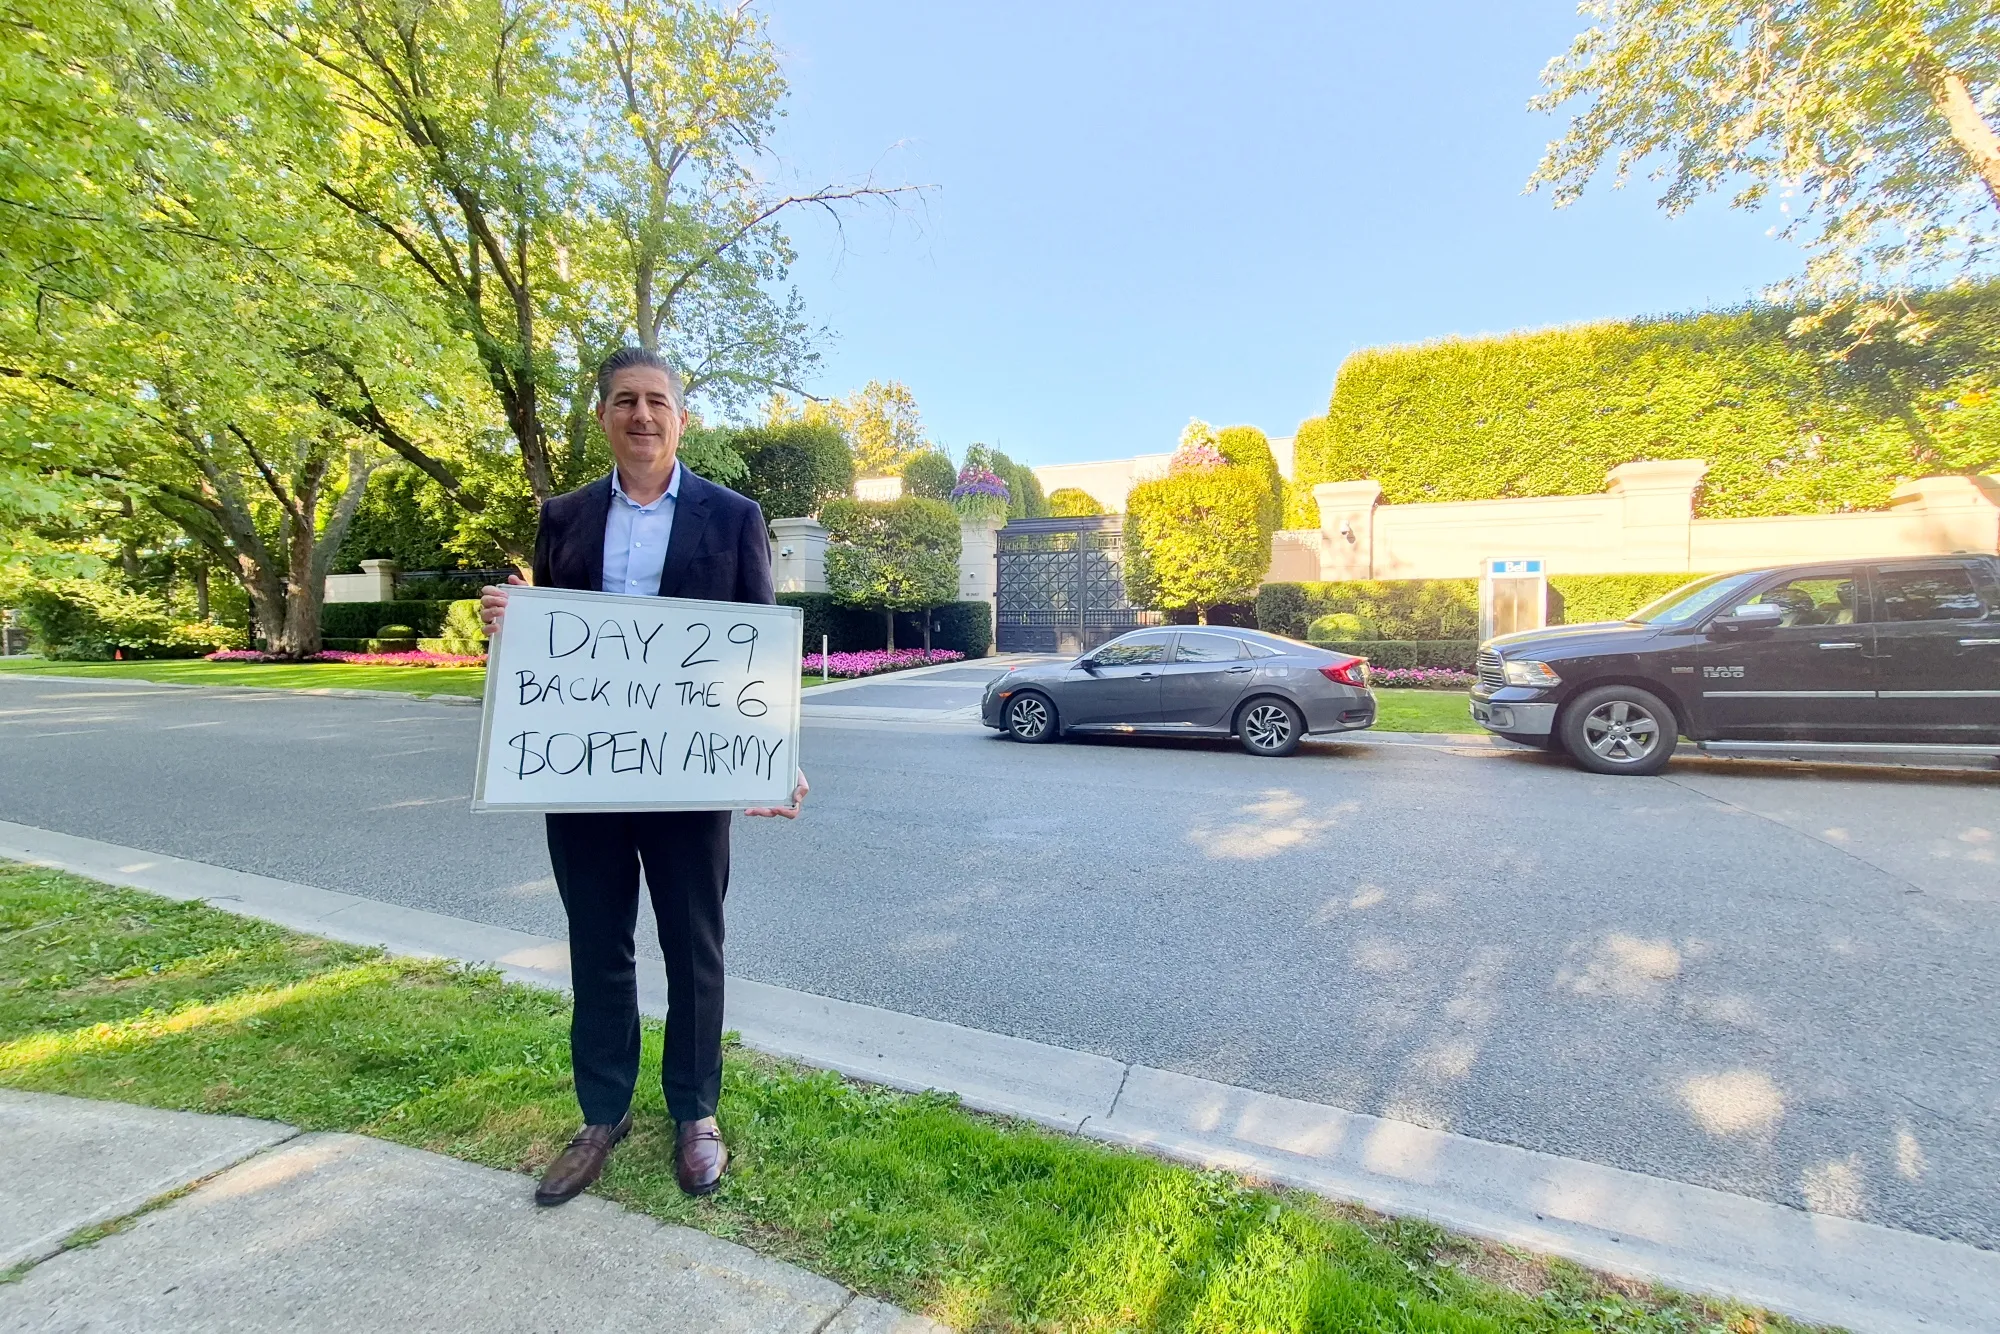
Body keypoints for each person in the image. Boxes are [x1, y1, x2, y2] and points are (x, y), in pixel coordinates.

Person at [479, 345, 808, 1205]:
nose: (642, 415)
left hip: (689, 776)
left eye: (657, 401)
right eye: (625, 400)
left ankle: (695, 1112)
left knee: (694, 945)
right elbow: (549, 640)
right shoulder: (563, 517)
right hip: (582, 774)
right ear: (603, 416)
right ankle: (603, 1113)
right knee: (598, 943)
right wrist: (512, 618)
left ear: (681, 418)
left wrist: (774, 756)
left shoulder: (733, 517)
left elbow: (756, 644)